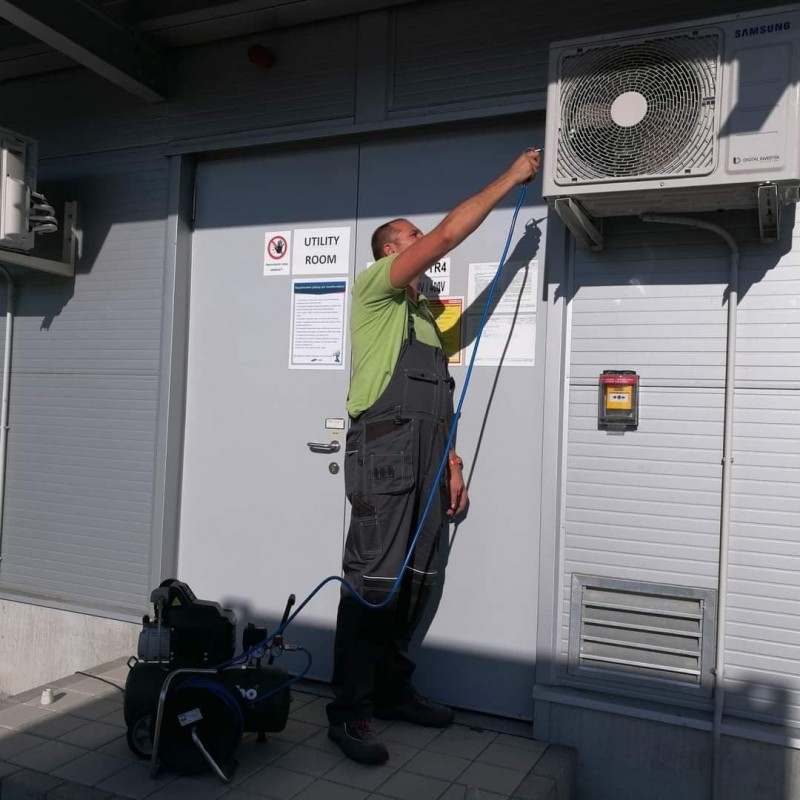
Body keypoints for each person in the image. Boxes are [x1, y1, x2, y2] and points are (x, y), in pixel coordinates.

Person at [326, 148, 542, 765]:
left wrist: (452, 467)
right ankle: (348, 713)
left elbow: (444, 392)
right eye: (411, 237)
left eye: (420, 236)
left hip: (426, 461)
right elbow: (449, 234)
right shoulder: (375, 290)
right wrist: (512, 177)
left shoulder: (425, 318)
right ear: (390, 253)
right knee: (372, 582)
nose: (425, 242)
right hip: (384, 454)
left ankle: (393, 692)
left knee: (418, 580)